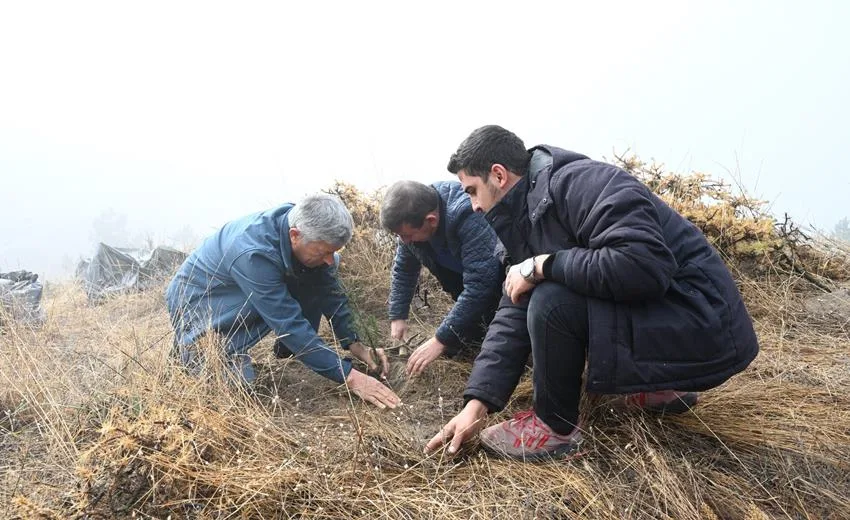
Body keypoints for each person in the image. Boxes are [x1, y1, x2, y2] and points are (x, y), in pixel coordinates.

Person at [426, 125, 759, 460]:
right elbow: (513, 306)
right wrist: (477, 404)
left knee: (551, 301)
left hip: (704, 320)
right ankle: (657, 388)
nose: (472, 206)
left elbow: (643, 265)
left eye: (471, 191)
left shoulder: (581, 183)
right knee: (540, 292)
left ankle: (554, 428)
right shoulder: (522, 218)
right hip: (676, 317)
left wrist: (545, 265)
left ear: (498, 175)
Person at [166, 193, 400, 409]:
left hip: (246, 290)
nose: (330, 260)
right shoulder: (253, 253)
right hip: (200, 299)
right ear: (295, 236)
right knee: (234, 391)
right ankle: (193, 351)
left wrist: (355, 343)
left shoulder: (305, 233)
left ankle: (290, 352)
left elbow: (332, 294)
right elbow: (288, 323)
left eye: (334, 252)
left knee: (317, 272)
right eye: (323, 252)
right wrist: (351, 377)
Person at [380, 180, 504, 376]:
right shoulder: (413, 223)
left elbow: (482, 284)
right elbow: (404, 270)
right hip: (461, 279)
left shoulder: (467, 215)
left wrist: (440, 340)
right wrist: (398, 315)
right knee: (468, 343)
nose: (403, 241)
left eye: (406, 235)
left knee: (499, 343)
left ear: (431, 220)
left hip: (502, 279)